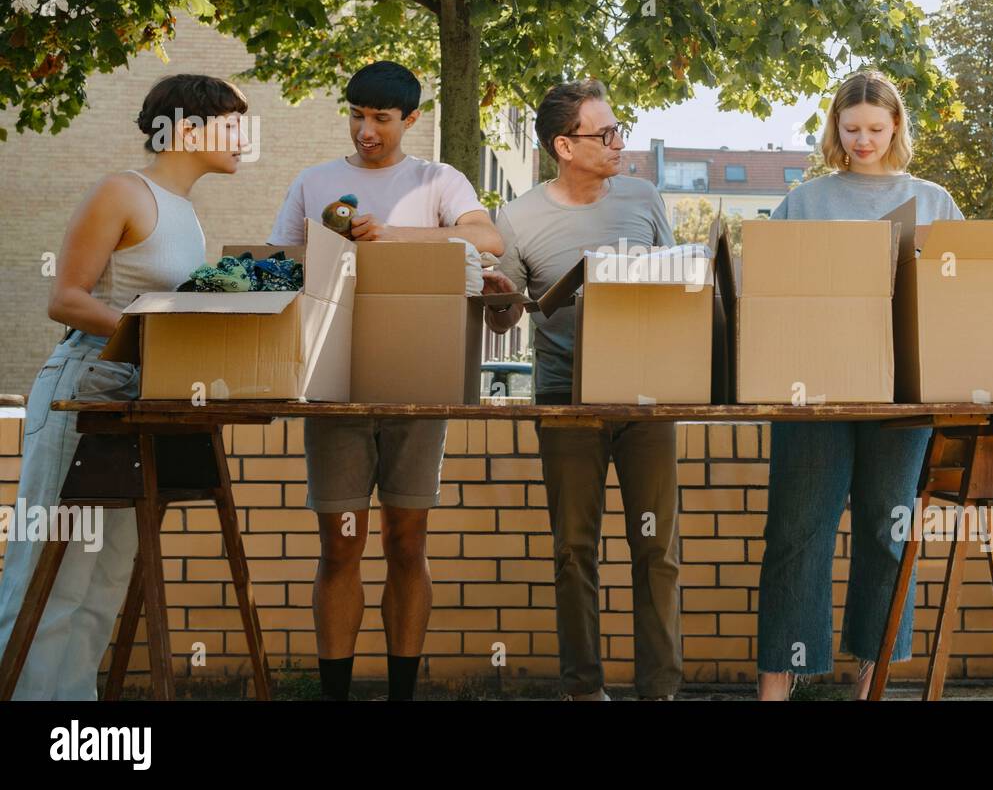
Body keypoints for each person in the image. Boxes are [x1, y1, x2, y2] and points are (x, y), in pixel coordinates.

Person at [0, 73, 250, 699]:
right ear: (188, 128)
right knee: (48, 571)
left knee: (104, 576)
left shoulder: (187, 215)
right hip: (84, 388)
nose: (245, 139)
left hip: (142, 396)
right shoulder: (122, 191)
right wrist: (158, 337)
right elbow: (66, 299)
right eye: (233, 123)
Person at [268, 60, 503, 701]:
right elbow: (277, 266)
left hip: (416, 387)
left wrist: (392, 235)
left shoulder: (438, 179)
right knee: (340, 546)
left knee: (407, 542)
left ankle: (403, 694)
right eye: (356, 114)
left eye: (380, 118)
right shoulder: (315, 181)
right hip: (334, 391)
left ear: (411, 120)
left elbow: (490, 240)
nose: (365, 130)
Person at [755, 71, 964, 700]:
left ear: (896, 125)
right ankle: (776, 686)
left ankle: (870, 684)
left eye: (875, 129)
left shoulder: (931, 199)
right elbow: (768, 287)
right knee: (797, 530)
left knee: (888, 530)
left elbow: (958, 293)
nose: (863, 141)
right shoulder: (808, 200)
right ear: (834, 129)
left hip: (904, 394)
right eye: (851, 130)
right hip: (812, 388)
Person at [483, 78, 682, 700]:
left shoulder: (643, 198)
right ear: (564, 146)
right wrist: (495, 300)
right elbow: (502, 319)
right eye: (606, 134)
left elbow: (682, 288)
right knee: (573, 549)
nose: (619, 143)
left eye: (618, 129)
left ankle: (660, 691)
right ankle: (582, 689)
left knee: (656, 548)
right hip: (566, 399)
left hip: (645, 396)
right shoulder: (516, 218)